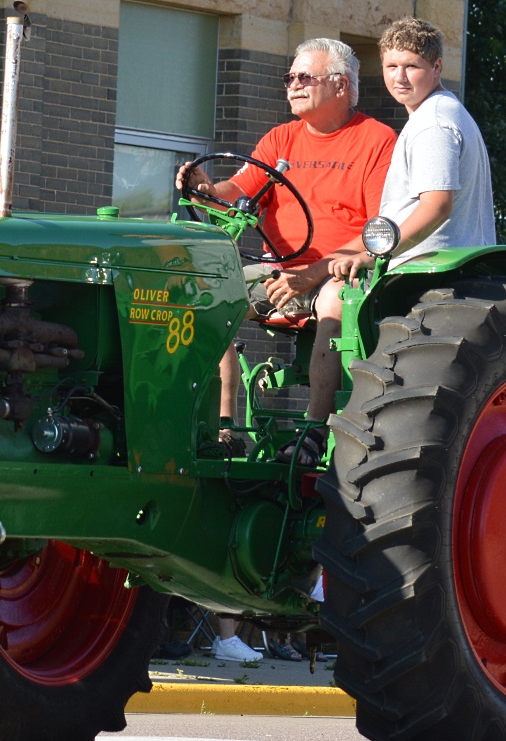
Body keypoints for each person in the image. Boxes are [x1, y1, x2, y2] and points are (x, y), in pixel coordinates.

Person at [177, 37, 397, 467]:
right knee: (208, 294)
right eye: (289, 77)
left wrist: (314, 274)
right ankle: (222, 427)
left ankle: (313, 433)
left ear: (340, 86)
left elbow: (378, 232)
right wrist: (203, 188)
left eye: (304, 77)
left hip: (342, 273)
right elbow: (234, 193)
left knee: (335, 300)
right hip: (282, 271)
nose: (292, 85)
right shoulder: (280, 140)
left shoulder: (377, 141)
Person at [329, 17, 495, 284]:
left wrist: (374, 255)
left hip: (426, 276)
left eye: (412, 66)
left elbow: (437, 206)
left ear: (436, 67)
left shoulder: (434, 123)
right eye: (391, 66)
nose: (400, 77)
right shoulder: (444, 112)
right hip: (440, 272)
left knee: (333, 310)